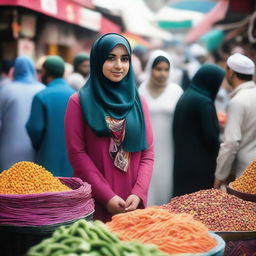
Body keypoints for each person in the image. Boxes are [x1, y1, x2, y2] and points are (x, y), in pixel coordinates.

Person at [64, 33, 154, 222]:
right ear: (97, 60)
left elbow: (148, 153)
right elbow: (77, 154)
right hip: (96, 198)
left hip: (132, 201)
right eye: (110, 58)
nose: (119, 66)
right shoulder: (78, 102)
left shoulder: (139, 102)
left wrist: (138, 192)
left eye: (124, 59)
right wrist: (107, 196)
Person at [173, 63, 225, 197]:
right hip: (200, 166)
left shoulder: (187, 95)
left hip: (183, 162)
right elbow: (211, 138)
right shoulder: (204, 103)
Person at [139, 50, 183, 205]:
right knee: (146, 184)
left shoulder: (176, 91)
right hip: (145, 148)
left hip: (169, 148)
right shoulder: (141, 90)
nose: (162, 73)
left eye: (166, 69)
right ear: (150, 68)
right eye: (158, 69)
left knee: (166, 184)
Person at [26, 56, 75, 177]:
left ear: (46, 73)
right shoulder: (76, 95)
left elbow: (35, 128)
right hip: (73, 162)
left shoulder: (41, 96)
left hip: (47, 160)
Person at [214, 53, 256, 189]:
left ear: (231, 72)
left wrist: (218, 179)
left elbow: (231, 143)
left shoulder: (237, 101)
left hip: (246, 174)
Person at [0, 55, 45, 171]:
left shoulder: (6, 90)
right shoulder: (43, 89)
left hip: (8, 149)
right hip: (35, 150)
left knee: (8, 184)